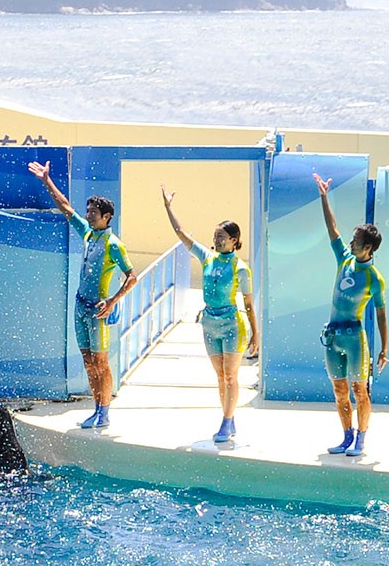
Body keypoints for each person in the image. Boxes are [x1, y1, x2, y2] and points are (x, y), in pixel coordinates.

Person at [27, 161, 136, 429]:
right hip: (80, 307)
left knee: (101, 362)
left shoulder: (113, 244)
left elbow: (132, 277)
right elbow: (65, 207)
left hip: (98, 311)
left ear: (107, 216)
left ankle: (104, 412)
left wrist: (113, 301)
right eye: (88, 211)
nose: (89, 215)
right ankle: (96, 408)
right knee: (88, 362)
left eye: (94, 212)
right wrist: (47, 181)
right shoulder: (88, 234)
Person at [160, 185, 257, 444]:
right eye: (215, 236)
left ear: (234, 240)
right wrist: (168, 207)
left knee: (231, 375)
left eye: (222, 236)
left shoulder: (240, 268)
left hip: (232, 325)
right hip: (210, 324)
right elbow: (181, 234)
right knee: (220, 376)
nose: (217, 240)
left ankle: (226, 421)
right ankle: (229, 416)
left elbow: (248, 304)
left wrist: (256, 334)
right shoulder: (207, 257)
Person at [314, 173, 388, 457]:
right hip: (333, 337)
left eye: (356, 241)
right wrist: (324, 196)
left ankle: (361, 438)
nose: (351, 243)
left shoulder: (374, 278)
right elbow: (332, 229)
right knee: (339, 390)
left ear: (367, 247)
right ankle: (346, 436)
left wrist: (384, 348)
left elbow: (381, 315)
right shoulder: (344, 259)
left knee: (359, 390)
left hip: (355, 338)